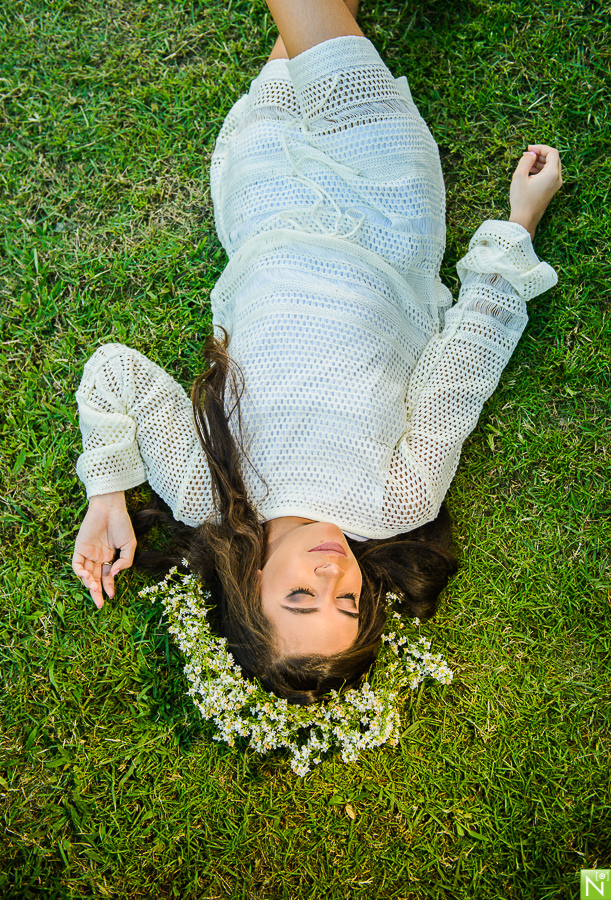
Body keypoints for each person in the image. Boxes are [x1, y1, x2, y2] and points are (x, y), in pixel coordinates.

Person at [72, 0, 563, 704]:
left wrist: (107, 492)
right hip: (390, 211)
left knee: (313, 27)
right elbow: (462, 370)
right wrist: (520, 225)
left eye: (301, 596)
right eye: (348, 603)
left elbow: (115, 373)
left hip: (266, 200)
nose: (332, 577)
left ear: (250, 588)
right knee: (315, 20)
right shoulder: (399, 501)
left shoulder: (208, 495)